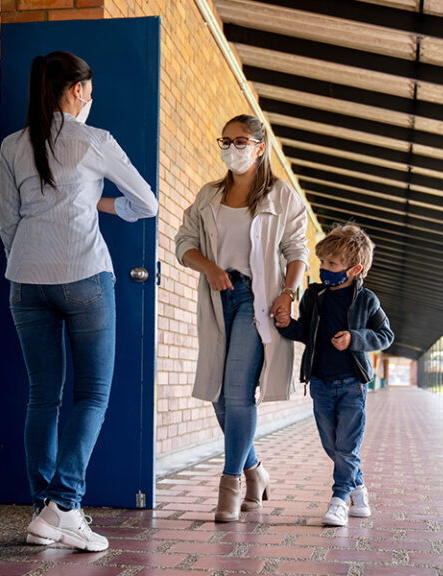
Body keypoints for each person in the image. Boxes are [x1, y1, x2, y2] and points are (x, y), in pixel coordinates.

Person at [0, 51, 158, 551]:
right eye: (88, 89)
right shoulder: (95, 141)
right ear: (76, 92)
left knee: (43, 395)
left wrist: (29, 262)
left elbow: (9, 225)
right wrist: (102, 203)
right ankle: (65, 505)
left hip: (26, 279)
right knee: (91, 395)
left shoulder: (12, 145)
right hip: (85, 275)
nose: (91, 96)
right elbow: (148, 204)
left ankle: (44, 509)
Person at [175, 114, 309, 522]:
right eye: (227, 140)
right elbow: (185, 242)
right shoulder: (209, 195)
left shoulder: (281, 197)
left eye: (242, 141)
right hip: (220, 296)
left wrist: (288, 292)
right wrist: (209, 268)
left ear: (260, 146)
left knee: (237, 390)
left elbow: (297, 250)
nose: (233, 148)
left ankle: (230, 483)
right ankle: (256, 471)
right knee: (219, 394)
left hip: (259, 300)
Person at [273, 223, 394, 527]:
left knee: (347, 446)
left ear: (354, 269)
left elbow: (385, 335)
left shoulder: (367, 301)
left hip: (352, 385)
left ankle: (339, 499)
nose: (324, 268)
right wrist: (286, 324)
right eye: (322, 262)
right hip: (320, 384)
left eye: (331, 263)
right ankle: (359, 488)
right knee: (333, 445)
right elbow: (304, 333)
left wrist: (355, 338)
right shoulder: (315, 297)